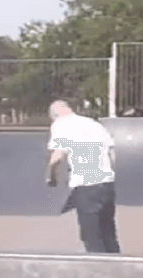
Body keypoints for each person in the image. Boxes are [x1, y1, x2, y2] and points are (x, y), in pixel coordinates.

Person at [46, 100, 121, 254]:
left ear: (54, 116)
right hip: (106, 184)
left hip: (86, 185)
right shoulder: (94, 124)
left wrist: (51, 176)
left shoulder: (61, 124)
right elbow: (112, 155)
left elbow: (57, 156)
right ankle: (118, 269)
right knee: (108, 234)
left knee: (91, 236)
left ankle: (100, 272)